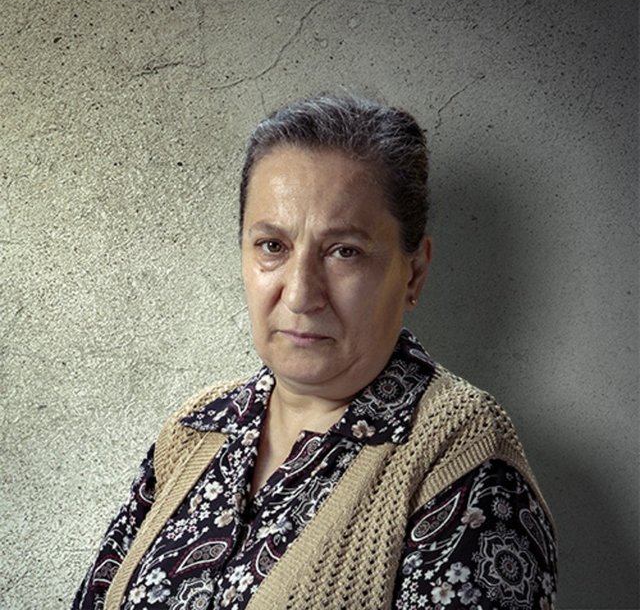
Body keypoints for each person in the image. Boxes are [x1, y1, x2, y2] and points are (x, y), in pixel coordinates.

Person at [73, 95, 557, 610]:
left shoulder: (461, 453)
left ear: (413, 273)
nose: (301, 294)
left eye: (344, 252)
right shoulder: (195, 429)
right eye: (272, 246)